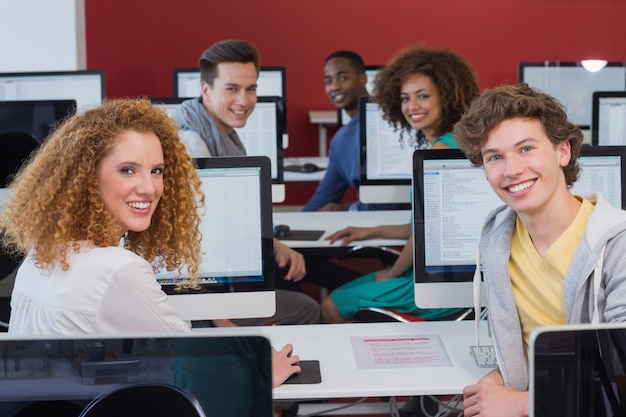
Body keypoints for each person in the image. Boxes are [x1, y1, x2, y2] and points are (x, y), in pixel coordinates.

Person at [0, 99, 301, 387]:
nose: (149, 188)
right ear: (87, 177)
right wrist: (262, 372)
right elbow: (197, 370)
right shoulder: (115, 269)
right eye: (127, 170)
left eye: (157, 171)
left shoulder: (43, 252)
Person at [453, 83, 626, 417]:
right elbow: (533, 347)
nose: (512, 170)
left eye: (526, 148)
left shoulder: (617, 241)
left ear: (563, 152)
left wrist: (524, 404)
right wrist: (506, 375)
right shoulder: (497, 238)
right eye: (495, 157)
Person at [320, 46, 479, 324]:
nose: (411, 107)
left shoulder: (440, 151)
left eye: (423, 96)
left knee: (331, 305)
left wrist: (391, 274)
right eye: (405, 98)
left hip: (433, 282)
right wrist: (371, 231)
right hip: (452, 276)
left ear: (448, 96)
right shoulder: (457, 142)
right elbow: (426, 224)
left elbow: (422, 236)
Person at [170, 39, 320, 326]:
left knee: (289, 278)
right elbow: (189, 241)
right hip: (196, 295)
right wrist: (219, 317)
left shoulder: (221, 134)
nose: (244, 100)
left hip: (218, 277)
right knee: (305, 308)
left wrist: (275, 245)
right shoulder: (190, 144)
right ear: (206, 90)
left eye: (250, 89)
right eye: (232, 89)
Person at [302, 50, 369, 212]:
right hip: (370, 224)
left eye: (343, 78)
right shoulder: (341, 141)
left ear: (363, 79)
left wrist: (350, 210)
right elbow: (323, 199)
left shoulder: (391, 121)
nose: (335, 87)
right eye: (328, 81)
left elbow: (393, 201)